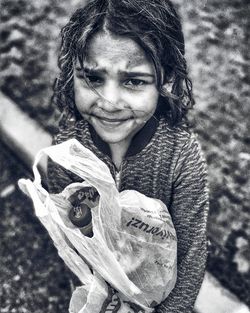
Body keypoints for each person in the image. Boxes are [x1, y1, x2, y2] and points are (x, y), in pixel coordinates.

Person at [47, 0, 209, 312]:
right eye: (93, 78)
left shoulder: (181, 158)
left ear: (168, 80)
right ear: (72, 74)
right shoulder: (68, 152)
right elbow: (72, 243)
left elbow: (191, 256)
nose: (109, 102)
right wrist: (95, 297)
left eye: (133, 81)